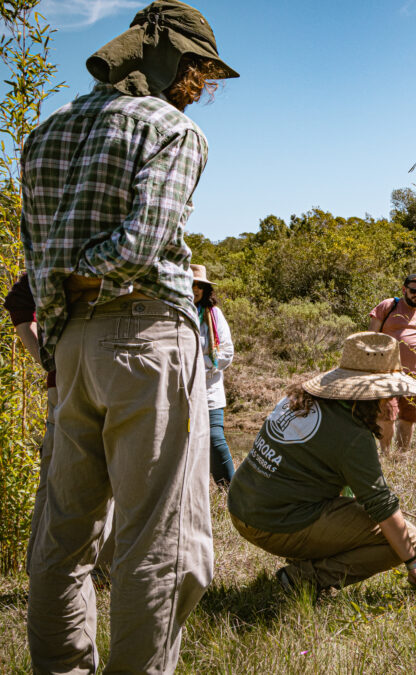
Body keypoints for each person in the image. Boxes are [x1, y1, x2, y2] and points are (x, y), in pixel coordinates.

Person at [19, 1, 238, 671]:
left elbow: (35, 256)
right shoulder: (173, 131)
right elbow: (142, 244)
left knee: (64, 536)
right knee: (161, 542)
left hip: (72, 342)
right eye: (199, 72)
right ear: (173, 60)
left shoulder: (45, 132)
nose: (201, 88)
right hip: (148, 336)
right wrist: (94, 271)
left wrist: (63, 304)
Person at [228, 331, 416, 597]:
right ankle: (302, 579)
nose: (392, 400)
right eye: (390, 394)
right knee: (408, 537)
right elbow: (381, 505)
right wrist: (413, 564)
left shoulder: (302, 398)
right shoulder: (352, 435)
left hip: (241, 505)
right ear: (376, 395)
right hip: (272, 523)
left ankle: (306, 561)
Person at [3, 274, 115, 573]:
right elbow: (19, 301)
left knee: (93, 473)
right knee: (60, 474)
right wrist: (45, 358)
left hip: (97, 378)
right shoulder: (64, 254)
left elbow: (18, 301)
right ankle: (47, 570)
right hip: (71, 379)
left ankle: (94, 570)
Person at [368, 273, 416, 452]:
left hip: (414, 373)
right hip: (386, 371)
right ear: (404, 290)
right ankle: (386, 455)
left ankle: (401, 456)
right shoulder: (388, 306)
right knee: (386, 414)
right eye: (413, 291)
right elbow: (371, 336)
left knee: (408, 416)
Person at [192, 264, 235, 485]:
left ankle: (230, 489)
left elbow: (226, 353)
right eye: (190, 284)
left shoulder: (214, 315)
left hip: (209, 389)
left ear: (205, 289)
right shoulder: (173, 314)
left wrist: (197, 368)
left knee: (214, 439)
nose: (194, 289)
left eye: (199, 285)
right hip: (178, 391)